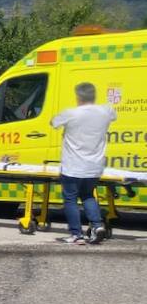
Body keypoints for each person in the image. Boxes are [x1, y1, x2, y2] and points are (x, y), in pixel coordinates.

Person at [51, 82, 117, 245]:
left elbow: (53, 122)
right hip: (94, 166)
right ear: (93, 95)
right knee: (88, 195)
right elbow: (113, 115)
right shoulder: (106, 111)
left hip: (73, 166)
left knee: (71, 199)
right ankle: (96, 226)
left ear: (78, 96)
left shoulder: (71, 114)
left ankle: (76, 234)